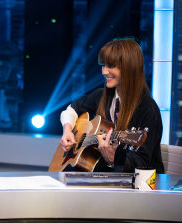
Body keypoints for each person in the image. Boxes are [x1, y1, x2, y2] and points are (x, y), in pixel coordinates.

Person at [60, 38, 164, 173]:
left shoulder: (147, 109)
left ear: (129, 68)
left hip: (140, 184)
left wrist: (113, 158)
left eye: (110, 66)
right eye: (103, 65)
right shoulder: (102, 95)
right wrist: (67, 130)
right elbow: (71, 110)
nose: (104, 72)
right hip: (105, 175)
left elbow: (142, 162)